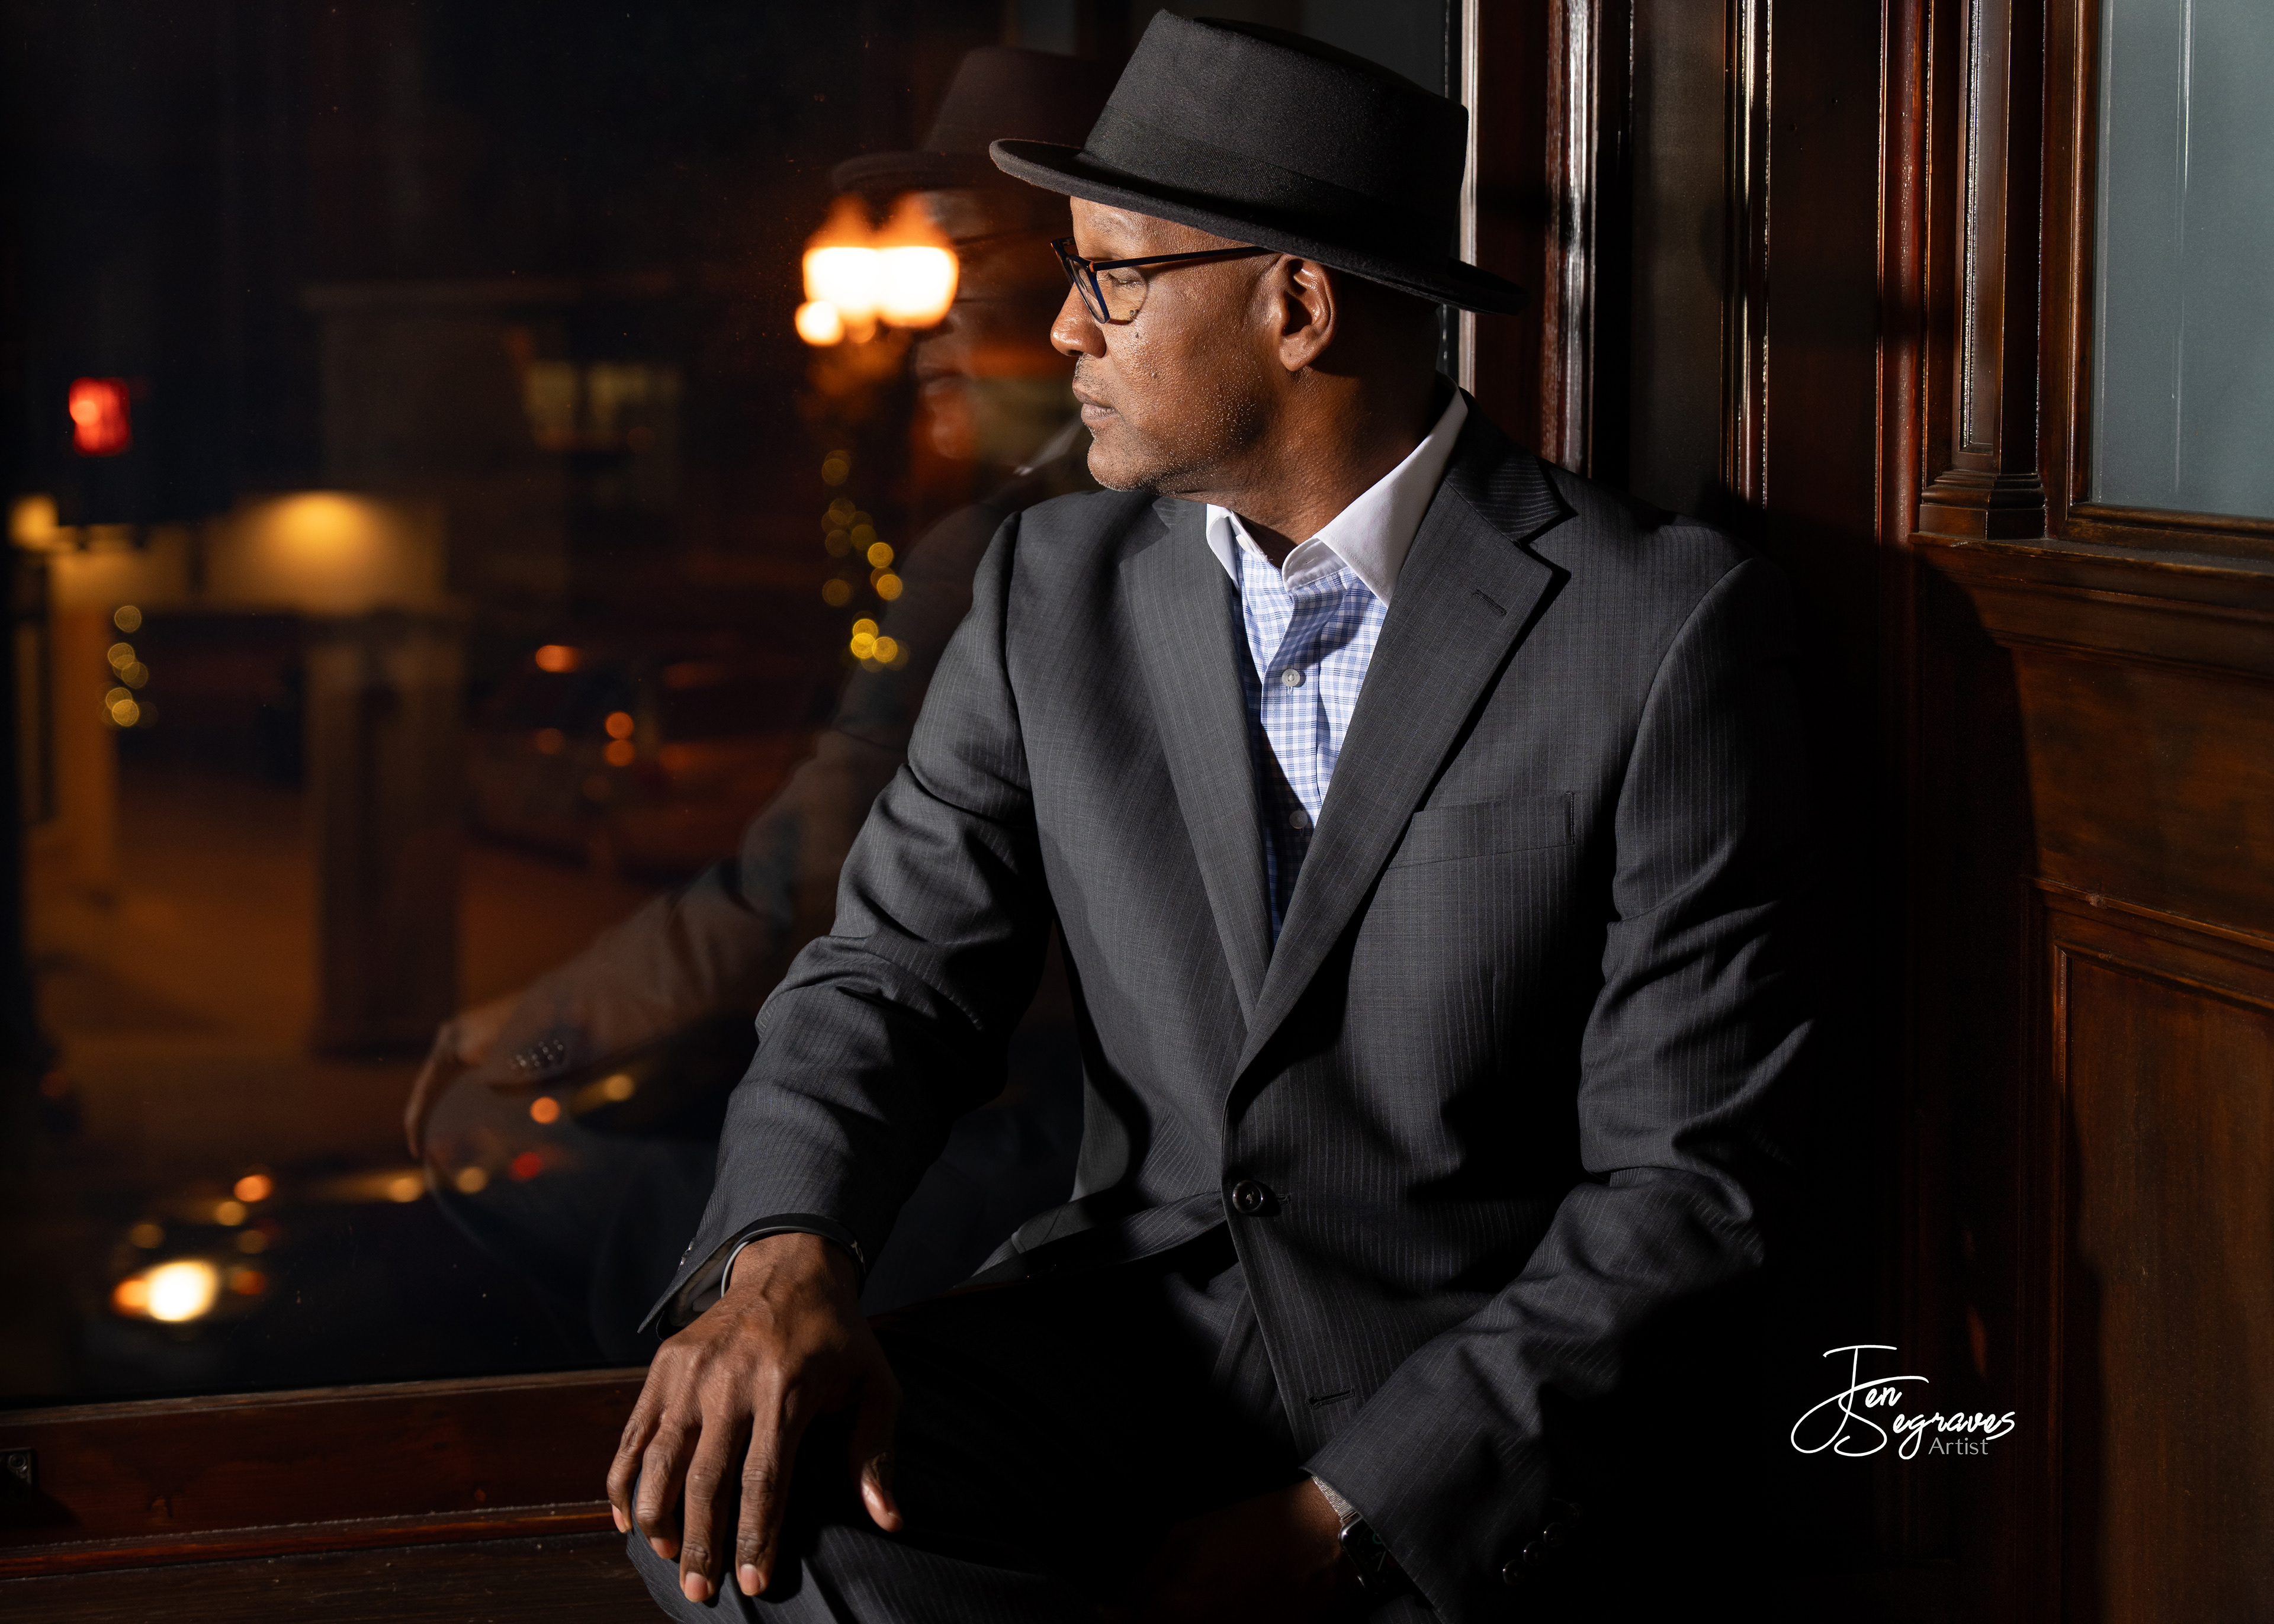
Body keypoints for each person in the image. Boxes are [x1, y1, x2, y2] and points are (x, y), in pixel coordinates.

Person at [614, 15, 1817, 1622]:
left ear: (1296, 307)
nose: (1063, 326)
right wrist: (784, 1251)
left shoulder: (1657, 627)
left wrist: (1342, 1519)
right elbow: (892, 973)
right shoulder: (1048, 591)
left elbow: (1690, 1184)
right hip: (1130, 1345)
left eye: (1110, 277)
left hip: (1461, 1405)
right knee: (728, 1491)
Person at [406, 47, 1117, 1359]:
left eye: (976, 266)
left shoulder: (1020, 555)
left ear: (1089, 280)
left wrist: (534, 1045)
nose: (933, 323)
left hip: (1054, 1165)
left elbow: (800, 882)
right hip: (1052, 1142)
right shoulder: (1068, 530)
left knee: (577, 1215)